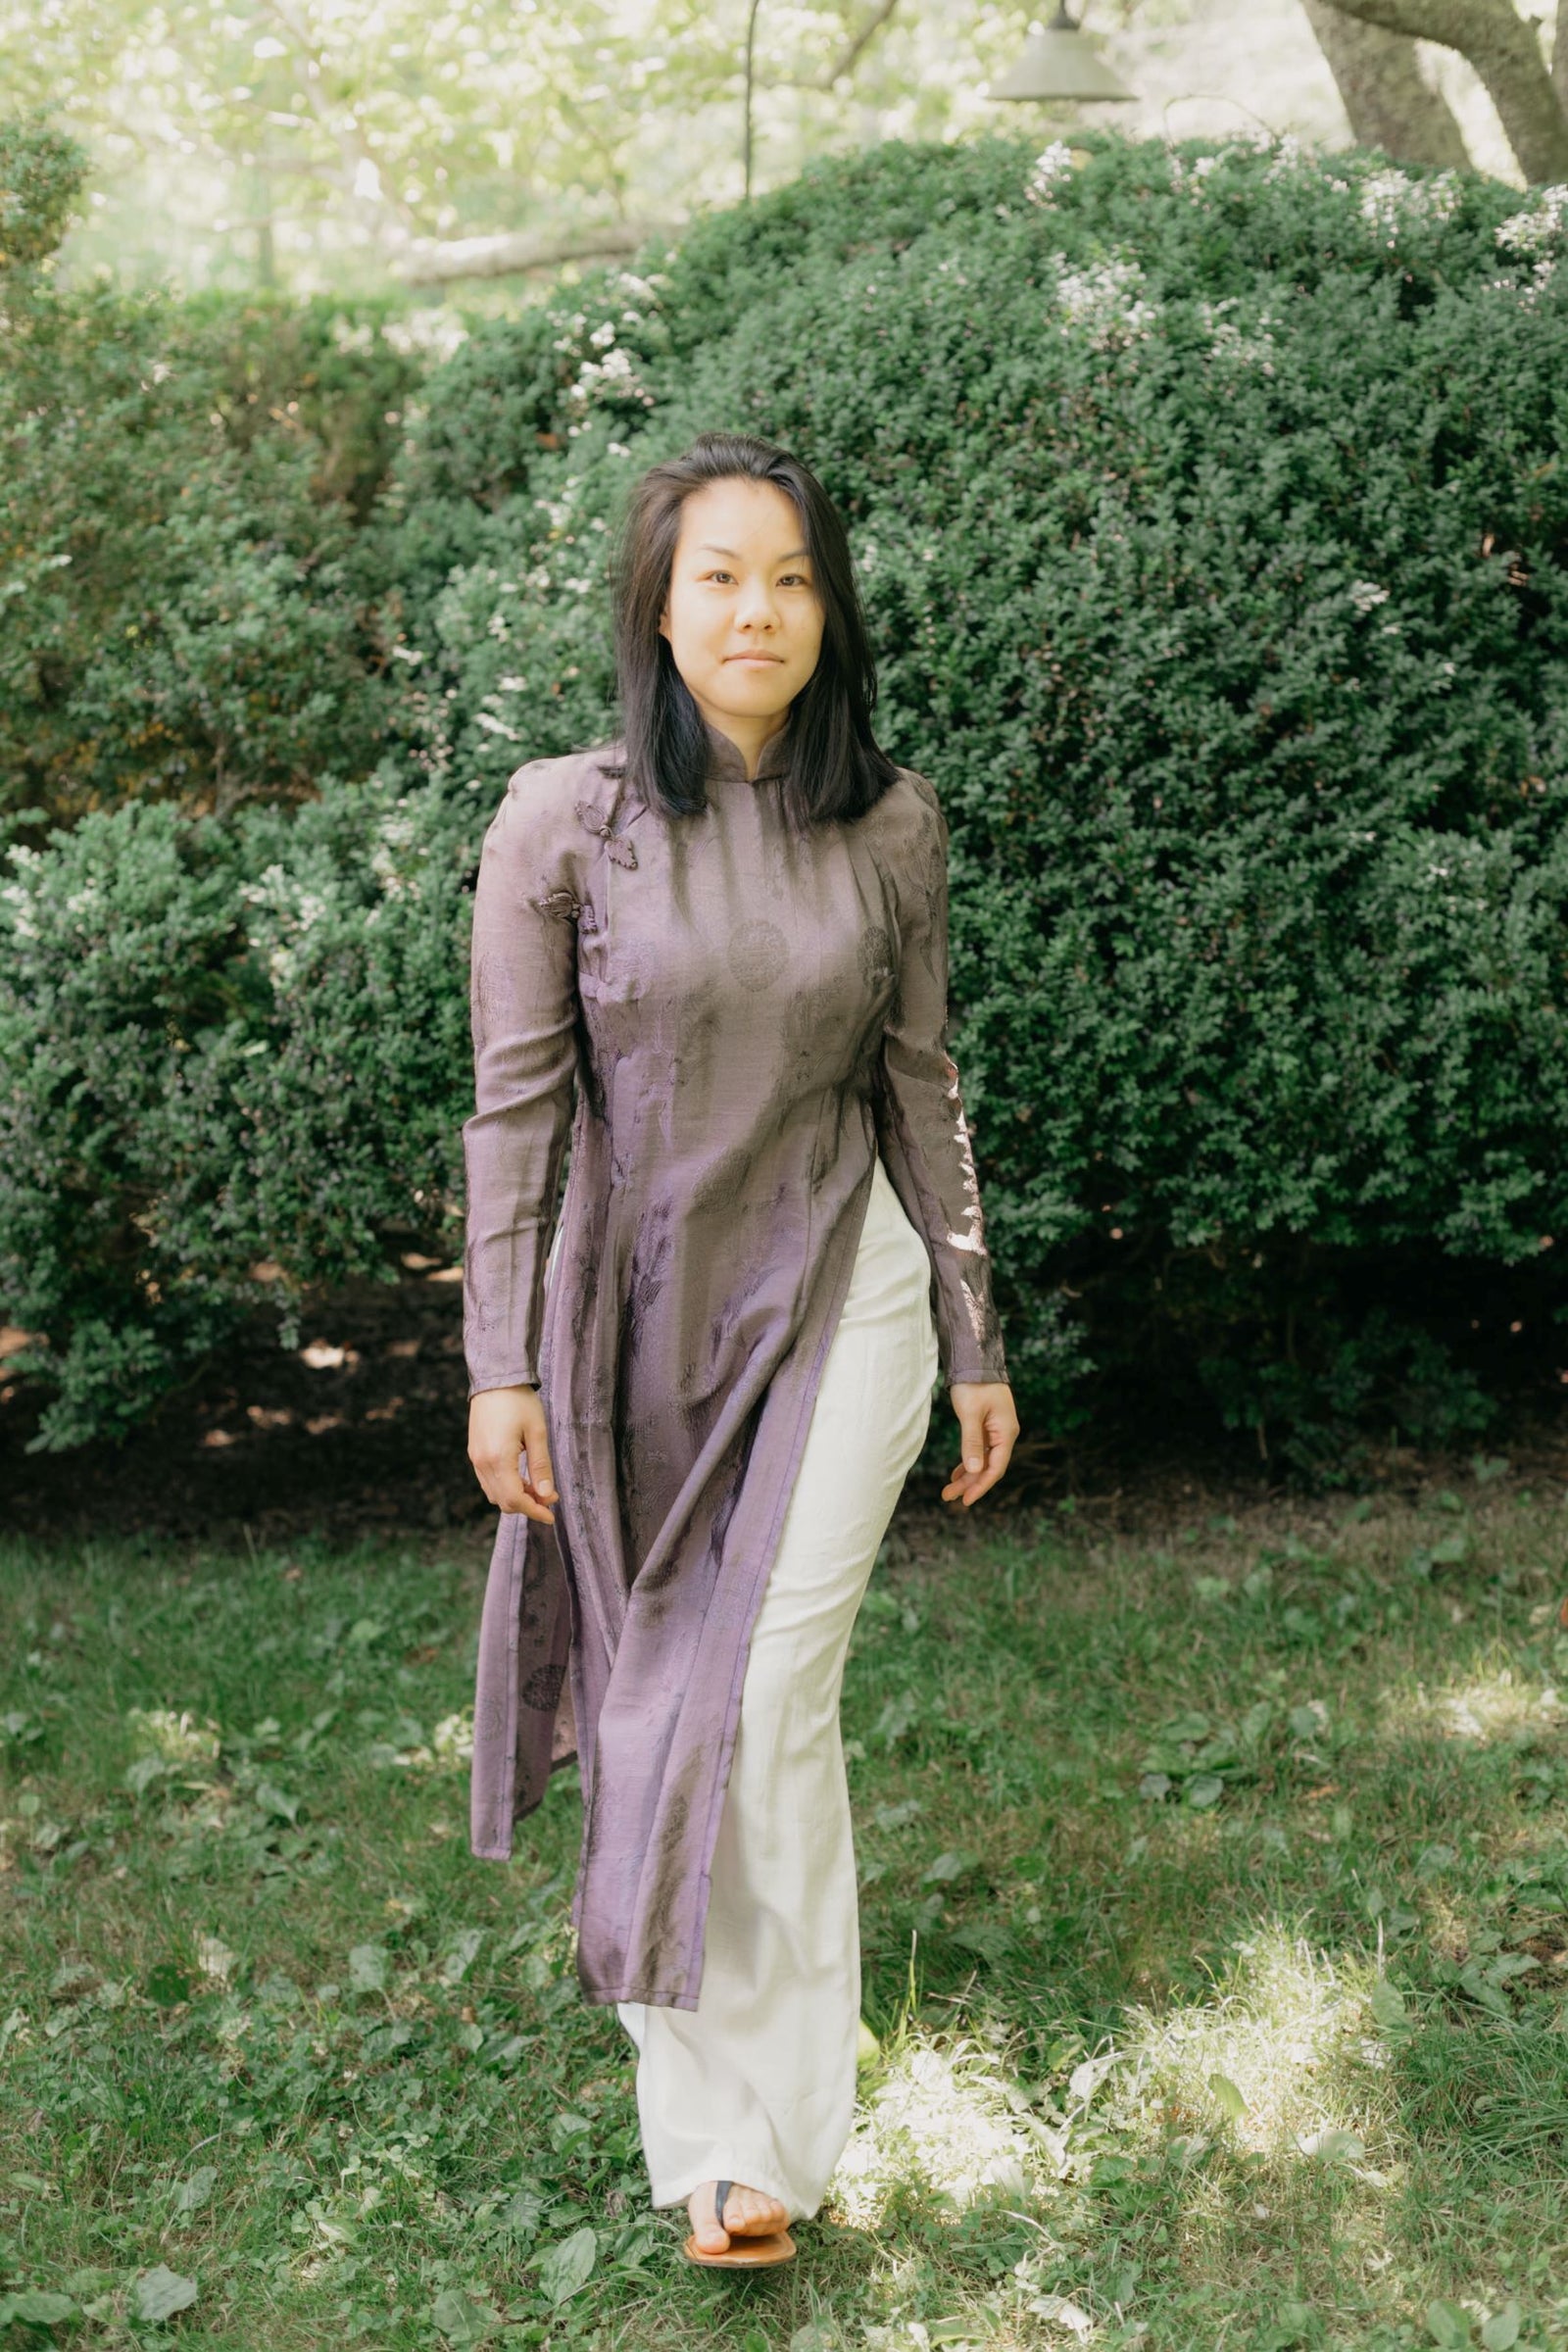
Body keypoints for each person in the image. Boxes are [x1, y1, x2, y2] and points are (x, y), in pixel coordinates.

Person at [463, 429, 1018, 2268]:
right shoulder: (562, 821)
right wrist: (500, 1358)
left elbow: (922, 1092)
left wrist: (968, 1328)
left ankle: (766, 2138)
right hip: (629, 1321)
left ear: (830, 606)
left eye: (790, 576)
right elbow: (516, 1114)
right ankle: (712, 2137)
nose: (758, 609)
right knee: (658, 1700)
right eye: (720, 574)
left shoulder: (893, 825)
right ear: (659, 601)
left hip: (840, 1290)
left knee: (765, 1693)